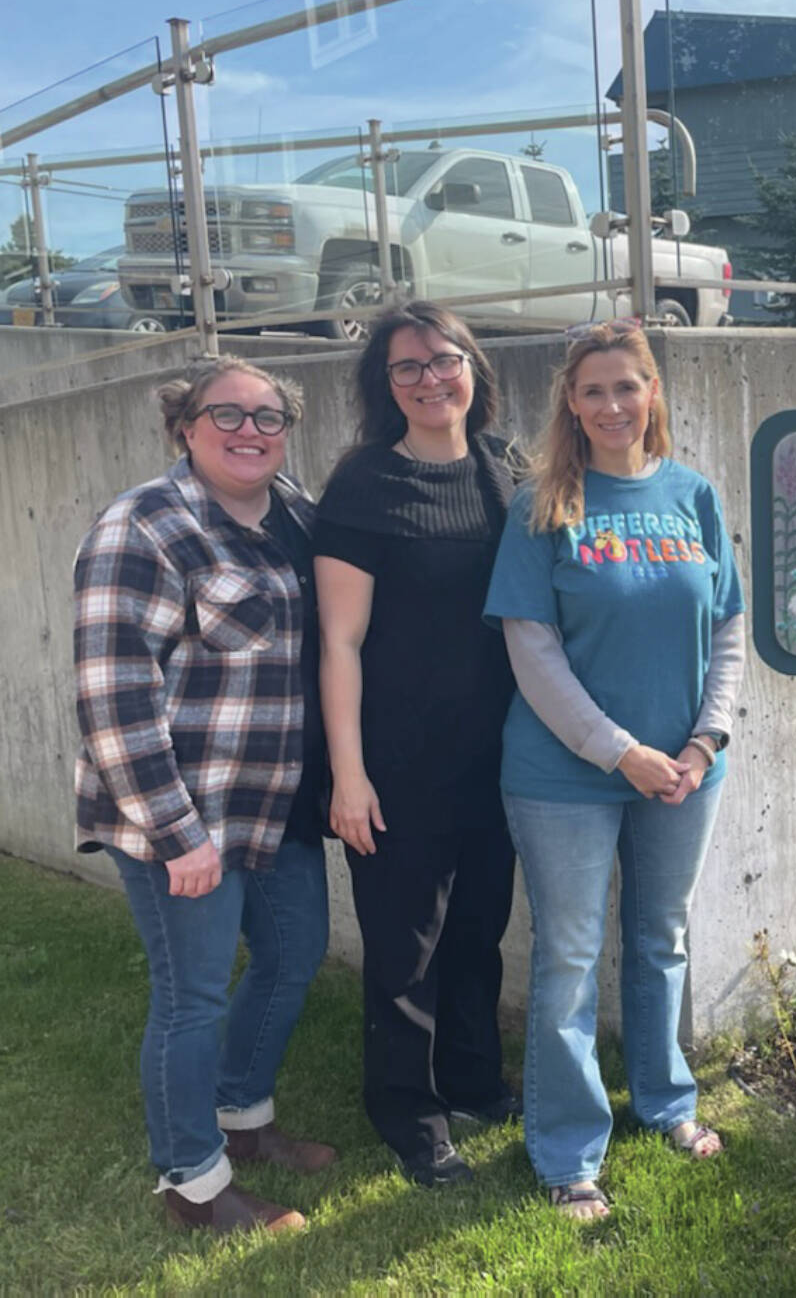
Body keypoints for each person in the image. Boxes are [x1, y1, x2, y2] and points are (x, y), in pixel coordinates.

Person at [483, 321, 745, 1220]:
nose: (610, 406)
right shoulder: (542, 504)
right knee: (566, 957)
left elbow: (728, 629)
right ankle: (566, 1151)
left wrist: (704, 742)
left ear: (651, 393)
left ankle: (666, 1099)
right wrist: (618, 752)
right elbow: (532, 649)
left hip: (683, 772)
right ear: (570, 402)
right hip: (564, 776)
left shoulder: (693, 496)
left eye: (625, 387)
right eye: (591, 391)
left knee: (659, 938)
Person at [73, 356, 335, 1235]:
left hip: (271, 805)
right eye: (226, 415)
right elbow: (113, 695)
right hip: (175, 814)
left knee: (296, 953)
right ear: (184, 426)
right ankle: (191, 1182)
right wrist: (177, 834)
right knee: (193, 994)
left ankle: (242, 1119)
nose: (249, 431)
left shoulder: (298, 514)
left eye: (267, 416)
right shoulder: (143, 525)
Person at [313, 301, 519, 1188]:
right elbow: (339, 642)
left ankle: (473, 1078)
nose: (432, 379)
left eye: (446, 360)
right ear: (383, 387)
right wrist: (348, 775)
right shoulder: (365, 484)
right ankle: (408, 1109)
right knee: (407, 951)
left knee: (478, 931)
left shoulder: (502, 469)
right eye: (408, 368)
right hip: (395, 762)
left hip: (497, 756)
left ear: (473, 369)